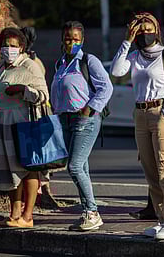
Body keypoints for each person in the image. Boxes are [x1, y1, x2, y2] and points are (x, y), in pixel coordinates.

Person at [111, 12, 164, 240]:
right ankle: (160, 219)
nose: (145, 34)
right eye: (140, 31)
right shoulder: (134, 55)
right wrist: (127, 40)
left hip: (160, 112)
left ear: (157, 31)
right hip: (140, 113)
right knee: (150, 170)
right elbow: (116, 71)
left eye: (148, 29)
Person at [0, 27, 49, 228]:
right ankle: (14, 215)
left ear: (21, 47)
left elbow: (43, 96)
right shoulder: (1, 66)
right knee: (11, 172)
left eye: (13, 46)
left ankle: (27, 216)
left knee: (28, 170)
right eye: (5, 45)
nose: (9, 49)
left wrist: (23, 90)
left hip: (20, 125)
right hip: (0, 125)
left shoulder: (30, 66)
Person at [51, 21, 113, 231]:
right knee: (82, 167)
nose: (71, 43)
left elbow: (106, 87)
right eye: (68, 38)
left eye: (76, 39)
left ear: (82, 40)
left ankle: (93, 212)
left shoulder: (88, 61)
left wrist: (89, 109)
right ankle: (87, 211)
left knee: (74, 167)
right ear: (62, 39)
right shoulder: (60, 63)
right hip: (66, 119)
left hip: (85, 119)